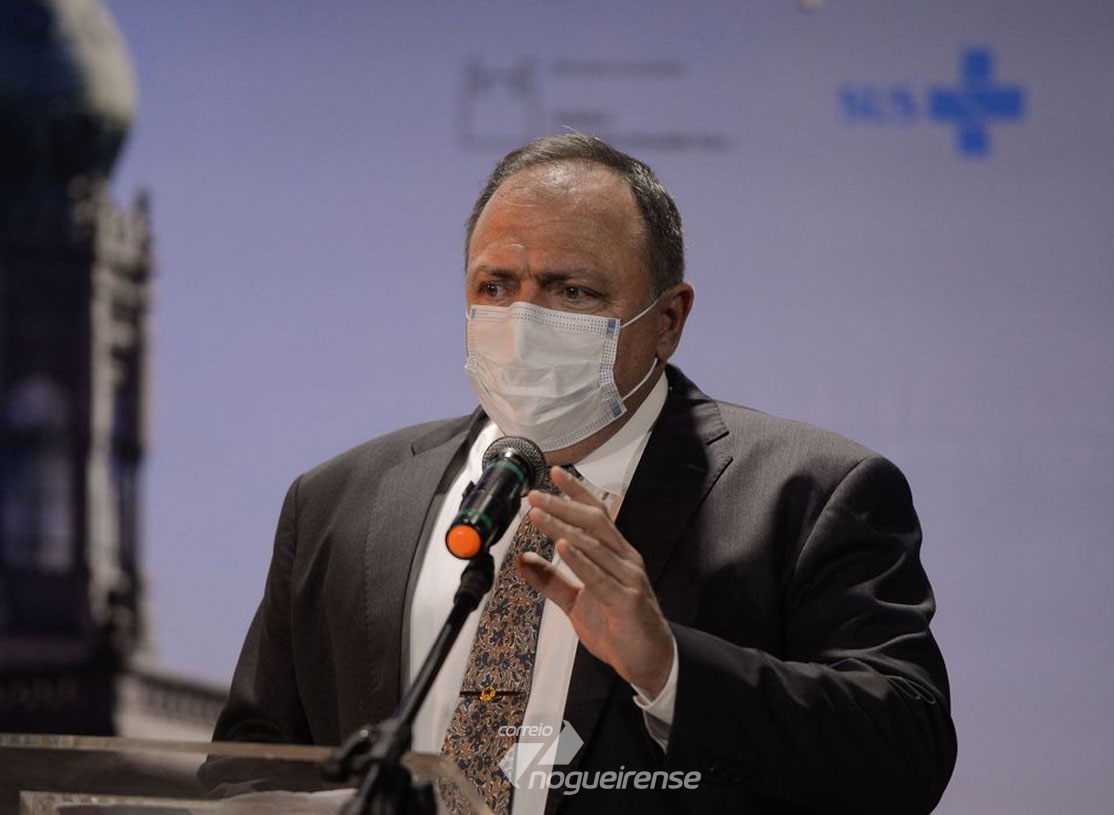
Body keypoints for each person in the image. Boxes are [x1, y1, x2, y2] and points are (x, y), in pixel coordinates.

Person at [207, 134, 956, 813]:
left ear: (668, 319)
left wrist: (668, 667)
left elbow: (906, 752)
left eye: (573, 292)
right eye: (495, 287)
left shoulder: (810, 494)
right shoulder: (338, 501)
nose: (523, 320)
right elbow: (248, 762)